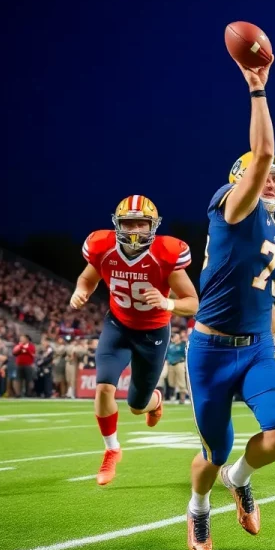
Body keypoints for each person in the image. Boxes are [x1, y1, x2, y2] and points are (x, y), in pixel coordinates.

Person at [185, 56, 275, 550]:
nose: (270, 178)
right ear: (245, 176)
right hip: (210, 348)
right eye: (263, 173)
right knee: (213, 451)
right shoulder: (232, 205)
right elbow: (263, 152)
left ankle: (240, 479)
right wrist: (257, 89)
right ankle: (199, 507)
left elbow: (264, 287)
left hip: (255, 347)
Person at [70, 195, 198, 486]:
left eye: (142, 223)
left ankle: (154, 402)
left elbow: (193, 303)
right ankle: (112, 449)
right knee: (103, 388)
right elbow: (88, 278)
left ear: (153, 226)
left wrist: (167, 304)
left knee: (136, 405)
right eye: (129, 223)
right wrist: (81, 291)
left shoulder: (166, 253)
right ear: (118, 225)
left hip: (153, 333)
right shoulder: (103, 248)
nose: (135, 230)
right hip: (117, 326)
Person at [165, 331, 188, 404]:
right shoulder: (170, 346)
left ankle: (182, 399)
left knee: (181, 381)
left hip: (179, 364)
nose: (174, 338)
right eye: (173, 337)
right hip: (171, 365)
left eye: (175, 337)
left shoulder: (183, 345)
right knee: (171, 382)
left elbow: (186, 353)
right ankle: (173, 396)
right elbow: (167, 354)